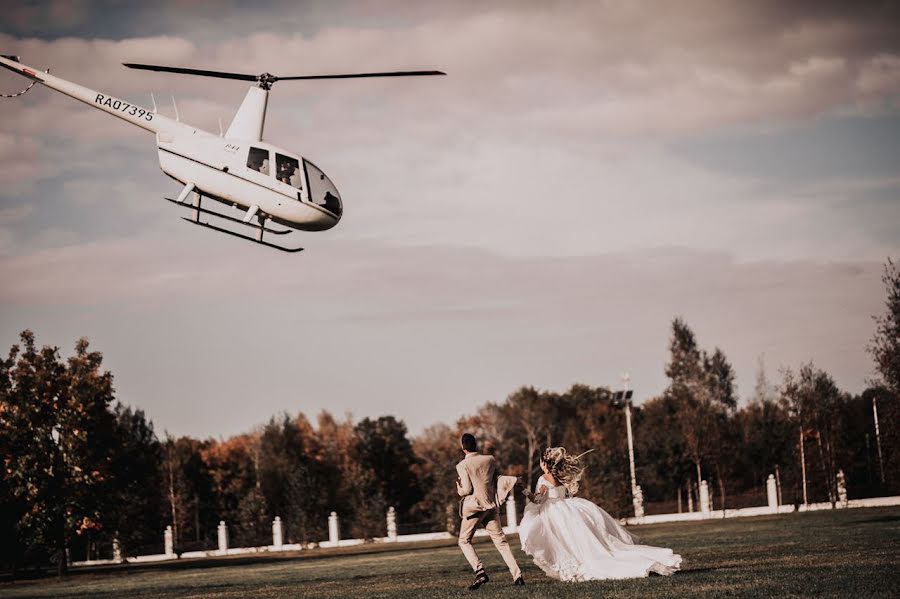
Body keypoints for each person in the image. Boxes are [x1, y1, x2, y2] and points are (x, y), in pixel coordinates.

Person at [518, 447, 682, 582]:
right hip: (567, 509)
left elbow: (539, 499)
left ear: (544, 463)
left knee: (566, 543)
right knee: (581, 542)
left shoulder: (544, 478)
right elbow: (564, 496)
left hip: (555, 513)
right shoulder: (560, 479)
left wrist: (524, 490)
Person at [455, 433, 524, 590]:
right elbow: (496, 479)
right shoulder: (490, 459)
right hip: (491, 506)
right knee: (501, 542)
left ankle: (480, 572)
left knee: (464, 541)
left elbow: (467, 489)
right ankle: (518, 576)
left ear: (463, 447)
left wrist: (458, 488)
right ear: (475, 445)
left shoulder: (462, 465)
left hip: (474, 508)